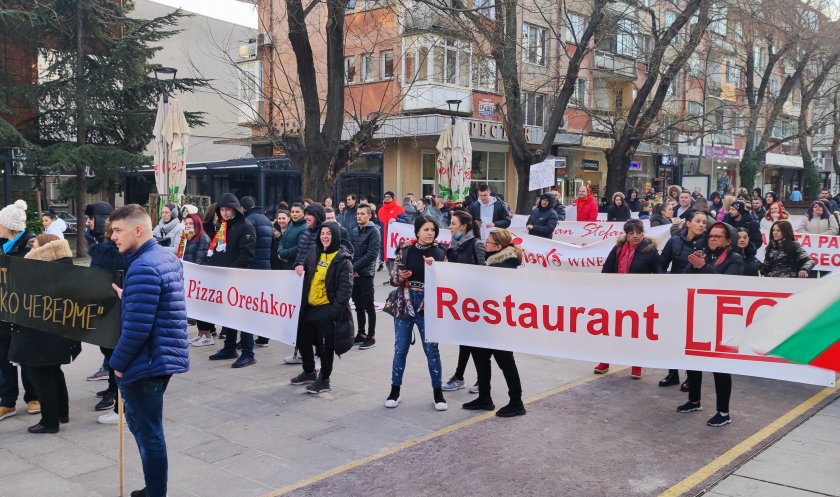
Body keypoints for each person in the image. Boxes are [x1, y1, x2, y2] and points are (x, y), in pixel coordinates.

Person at [108, 204, 189, 497]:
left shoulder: (142, 266)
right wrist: (129, 294)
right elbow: (159, 303)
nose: (113, 236)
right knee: (149, 430)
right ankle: (153, 489)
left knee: (148, 434)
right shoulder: (163, 257)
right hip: (161, 357)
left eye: (118, 230)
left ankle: (156, 493)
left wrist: (116, 364)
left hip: (148, 362)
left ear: (138, 230)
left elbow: (138, 329)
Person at [9, 235, 80, 433]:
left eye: (36, 244)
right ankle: (61, 413)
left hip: (39, 333)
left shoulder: (42, 269)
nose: (32, 246)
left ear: (45, 248)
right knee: (53, 371)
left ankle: (49, 421)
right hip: (56, 333)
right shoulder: (62, 266)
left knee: (41, 375)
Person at [677, 222, 743, 427]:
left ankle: (723, 412)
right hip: (699, 314)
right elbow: (684, 279)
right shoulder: (704, 255)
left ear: (728, 240)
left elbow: (726, 285)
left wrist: (702, 267)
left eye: (717, 236)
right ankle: (694, 400)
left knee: (720, 366)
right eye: (711, 236)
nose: (712, 239)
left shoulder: (736, 259)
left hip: (722, 318)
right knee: (694, 360)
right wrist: (693, 265)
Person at [461, 228, 526, 417]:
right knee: (481, 359)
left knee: (506, 363)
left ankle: (516, 402)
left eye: (488, 242)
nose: (484, 244)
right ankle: (484, 398)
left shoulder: (504, 267)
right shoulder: (494, 264)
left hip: (499, 325)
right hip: (487, 321)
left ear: (498, 246)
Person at [385, 215, 448, 411]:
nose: (430, 233)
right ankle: (395, 391)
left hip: (428, 307)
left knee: (432, 351)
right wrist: (400, 276)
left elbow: (446, 281)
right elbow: (393, 278)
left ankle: (438, 393)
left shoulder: (440, 252)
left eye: (433, 230)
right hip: (404, 304)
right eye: (426, 229)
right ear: (417, 232)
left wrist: (435, 269)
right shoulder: (405, 250)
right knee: (401, 348)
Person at [290, 222, 353, 394]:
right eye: (322, 233)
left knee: (325, 347)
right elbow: (302, 264)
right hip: (310, 306)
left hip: (327, 309)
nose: (325, 236)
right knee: (302, 339)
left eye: (329, 234)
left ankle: (324, 379)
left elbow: (345, 289)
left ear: (335, 237)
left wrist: (333, 312)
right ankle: (309, 371)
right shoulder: (314, 250)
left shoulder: (342, 259)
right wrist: (299, 265)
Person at [593, 220, 661, 378]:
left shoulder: (650, 251)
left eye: (638, 232)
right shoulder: (618, 248)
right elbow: (607, 269)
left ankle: (636, 365)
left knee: (635, 332)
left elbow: (659, 273)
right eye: (631, 233)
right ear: (627, 234)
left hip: (638, 298)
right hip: (616, 296)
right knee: (611, 330)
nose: (635, 236)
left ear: (643, 233)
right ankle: (605, 361)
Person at [659, 210, 709, 390]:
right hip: (675, 294)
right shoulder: (674, 242)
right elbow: (661, 265)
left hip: (698, 296)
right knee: (672, 335)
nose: (702, 224)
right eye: (698, 221)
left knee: (693, 338)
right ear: (688, 223)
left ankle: (691, 377)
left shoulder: (707, 244)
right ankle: (673, 373)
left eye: (704, 222)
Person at [207, 193, 258, 368]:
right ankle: (229, 347)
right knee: (228, 315)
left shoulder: (245, 226)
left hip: (240, 277)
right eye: (222, 209)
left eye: (228, 209)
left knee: (244, 316)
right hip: (224, 277)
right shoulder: (223, 226)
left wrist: (230, 270)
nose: (225, 213)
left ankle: (248, 352)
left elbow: (247, 254)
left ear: (235, 209)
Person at [0, 200, 38, 423]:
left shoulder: (30, 246)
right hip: (2, 312)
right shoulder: (3, 244)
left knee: (26, 356)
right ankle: (7, 400)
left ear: (9, 226)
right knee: (2, 358)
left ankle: (33, 397)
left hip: (22, 311)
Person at [442, 211, 485, 394]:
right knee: (465, 341)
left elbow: (485, 274)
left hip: (476, 303)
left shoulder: (476, 245)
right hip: (461, 302)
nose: (450, 227)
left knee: (475, 343)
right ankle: (460, 377)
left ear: (463, 226)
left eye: (453, 223)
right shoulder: (453, 246)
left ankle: (480, 380)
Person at [285, 203, 327, 365]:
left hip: (316, 285)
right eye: (306, 214)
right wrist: (297, 265)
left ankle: (318, 356)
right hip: (301, 283)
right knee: (301, 322)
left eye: (309, 215)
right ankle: (302, 353)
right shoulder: (305, 233)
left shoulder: (323, 233)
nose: (306, 217)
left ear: (317, 216)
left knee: (316, 323)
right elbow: (300, 256)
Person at [178, 214, 214, 347]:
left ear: (197, 224)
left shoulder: (202, 238)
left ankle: (208, 335)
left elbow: (200, 258)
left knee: (203, 307)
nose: (187, 226)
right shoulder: (188, 237)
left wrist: (195, 273)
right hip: (189, 275)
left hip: (199, 277)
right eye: (186, 224)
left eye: (190, 224)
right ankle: (200, 333)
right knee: (196, 307)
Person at [349, 204, 381, 350]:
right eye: (358, 213)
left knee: (369, 306)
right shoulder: (355, 231)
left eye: (362, 213)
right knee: (358, 305)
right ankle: (361, 333)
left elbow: (371, 254)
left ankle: (371, 336)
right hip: (355, 274)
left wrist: (355, 268)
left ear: (369, 215)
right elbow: (351, 251)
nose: (359, 216)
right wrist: (352, 267)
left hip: (366, 274)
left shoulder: (374, 231)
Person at [241, 196, 273, 271]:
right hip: (266, 263)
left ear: (242, 208)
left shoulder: (248, 220)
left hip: (253, 264)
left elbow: (248, 244)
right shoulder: (266, 219)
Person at [378, 191, 405, 273]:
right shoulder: (381, 210)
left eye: (389, 197)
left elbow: (406, 221)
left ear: (393, 198)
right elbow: (379, 224)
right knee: (387, 262)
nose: (386, 198)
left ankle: (395, 279)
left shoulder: (399, 209)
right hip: (384, 240)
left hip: (394, 241)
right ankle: (392, 277)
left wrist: (396, 219)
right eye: (385, 196)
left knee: (394, 262)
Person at [276, 203, 306, 270]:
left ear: (303, 213)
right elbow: (282, 241)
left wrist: (282, 254)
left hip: (295, 266)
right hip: (286, 264)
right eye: (292, 212)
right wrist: (280, 252)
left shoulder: (305, 227)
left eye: (297, 212)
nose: (294, 214)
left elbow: (299, 248)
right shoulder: (291, 225)